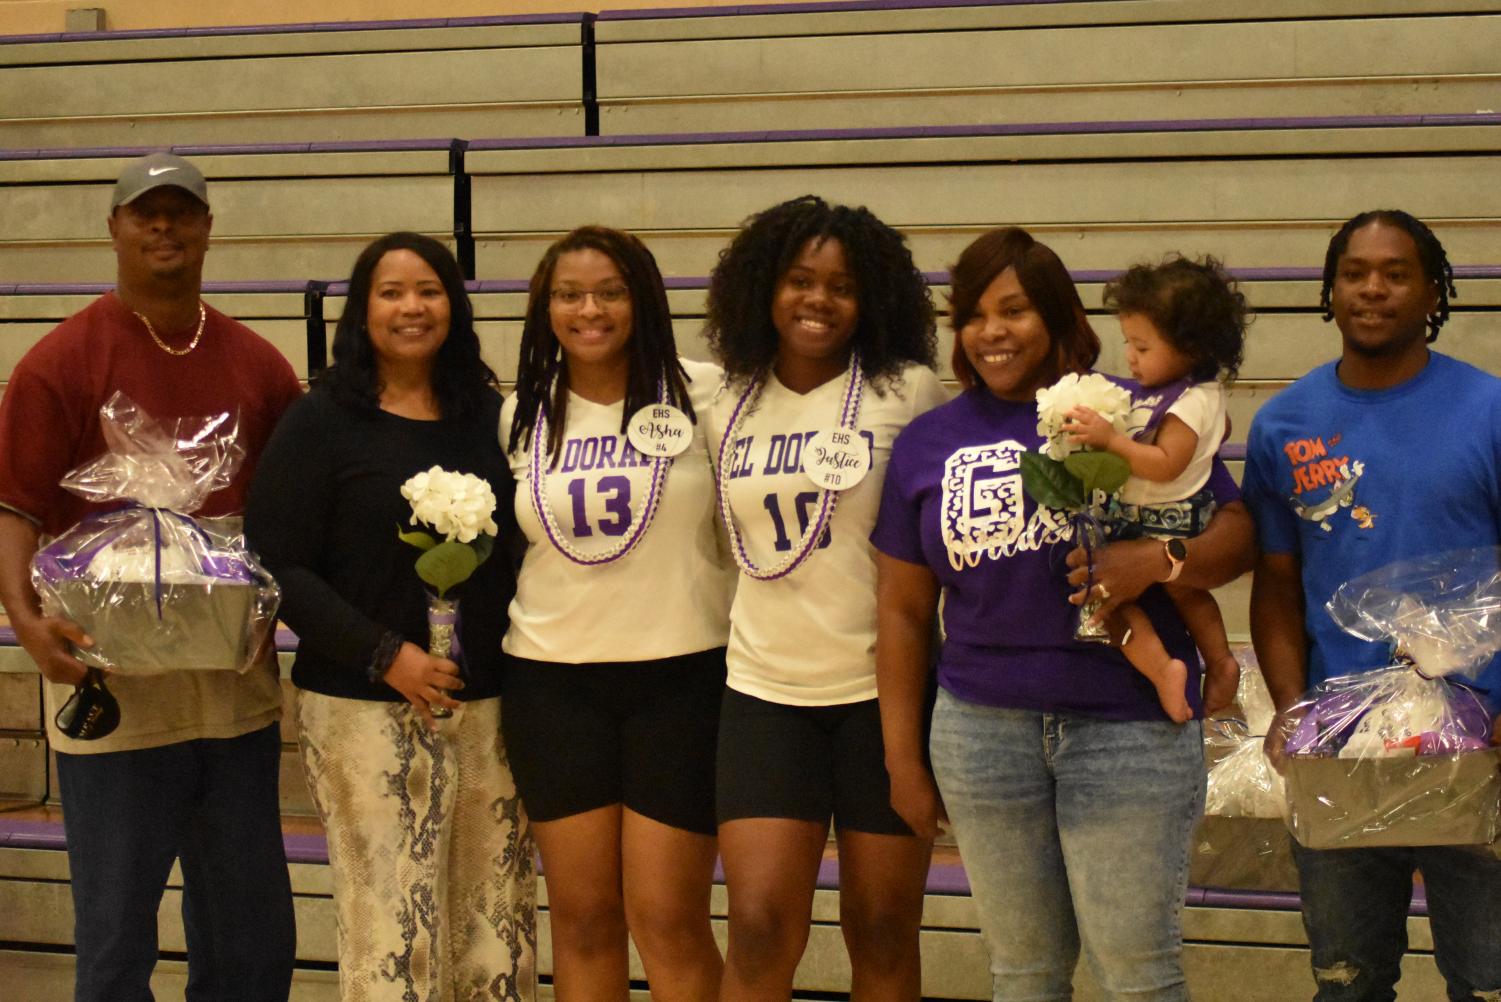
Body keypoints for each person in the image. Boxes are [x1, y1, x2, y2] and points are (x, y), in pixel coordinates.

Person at [872, 226, 1254, 1001]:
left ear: (1054, 316)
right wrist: (902, 760)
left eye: (1012, 310)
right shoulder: (926, 443)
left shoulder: (1126, 409)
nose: (991, 331)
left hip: (1128, 726)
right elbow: (904, 613)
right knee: (1023, 974)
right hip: (981, 733)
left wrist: (1156, 562)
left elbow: (1236, 534)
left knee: (1136, 977)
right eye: (973, 314)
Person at [0, 152, 300, 1001]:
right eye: (146, 212)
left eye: (180, 211)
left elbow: (292, 519)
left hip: (231, 692)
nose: (164, 226)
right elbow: (14, 509)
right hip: (110, 689)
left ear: (208, 227)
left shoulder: (259, 364)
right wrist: (26, 623)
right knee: (116, 940)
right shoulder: (60, 360)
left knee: (249, 940)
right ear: (115, 229)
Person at [245, 232, 536, 1001]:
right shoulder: (322, 421)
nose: (412, 306)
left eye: (429, 291)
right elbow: (276, 561)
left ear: (455, 305)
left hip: (487, 708)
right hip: (365, 707)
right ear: (361, 310)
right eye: (391, 291)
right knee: (394, 931)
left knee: (494, 922)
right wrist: (387, 655)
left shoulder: (491, 418)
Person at [1243, 210, 1501, 1002]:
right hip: (1341, 754)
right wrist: (1290, 709)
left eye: (1394, 272)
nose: (1372, 288)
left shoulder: (1488, 410)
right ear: (1329, 289)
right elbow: (1276, 586)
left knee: (1488, 980)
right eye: (1354, 272)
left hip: (1482, 748)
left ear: (1432, 292)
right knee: (1347, 983)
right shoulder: (1283, 424)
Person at [702, 194, 947, 1001]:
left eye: (841, 286)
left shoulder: (907, 390)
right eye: (800, 280)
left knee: (882, 928)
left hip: (885, 697)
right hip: (763, 693)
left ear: (870, 299)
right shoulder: (720, 397)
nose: (818, 300)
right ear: (764, 289)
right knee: (762, 924)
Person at [498, 225, 732, 1001]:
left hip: (681, 680)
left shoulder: (707, 394)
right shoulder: (519, 416)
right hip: (551, 687)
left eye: (610, 292)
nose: (588, 309)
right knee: (584, 919)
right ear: (545, 308)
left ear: (644, 301)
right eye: (569, 294)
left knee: (667, 917)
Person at [1061, 255, 1248, 722]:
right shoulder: (1157, 390)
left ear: (1190, 347)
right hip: (1135, 515)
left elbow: (1166, 465)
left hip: (1169, 517)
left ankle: (1221, 660)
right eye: (1128, 343)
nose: (1130, 357)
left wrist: (1111, 440)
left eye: (1142, 347)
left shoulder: (1195, 402)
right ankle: (1163, 669)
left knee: (1182, 593)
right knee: (1107, 598)